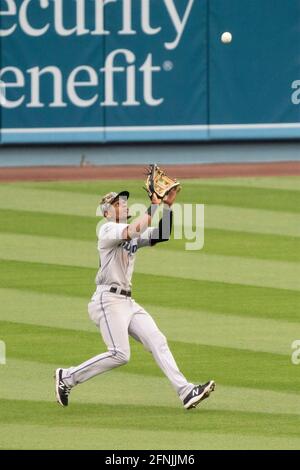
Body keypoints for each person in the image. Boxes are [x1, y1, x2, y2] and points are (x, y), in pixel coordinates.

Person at [55, 187, 215, 409]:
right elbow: (134, 228)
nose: (124, 205)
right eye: (118, 203)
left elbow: (161, 235)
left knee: (157, 340)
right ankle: (66, 377)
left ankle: (186, 392)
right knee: (120, 354)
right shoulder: (108, 229)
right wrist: (155, 204)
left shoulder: (128, 232)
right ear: (107, 213)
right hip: (107, 301)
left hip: (127, 302)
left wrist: (167, 205)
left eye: (124, 202)